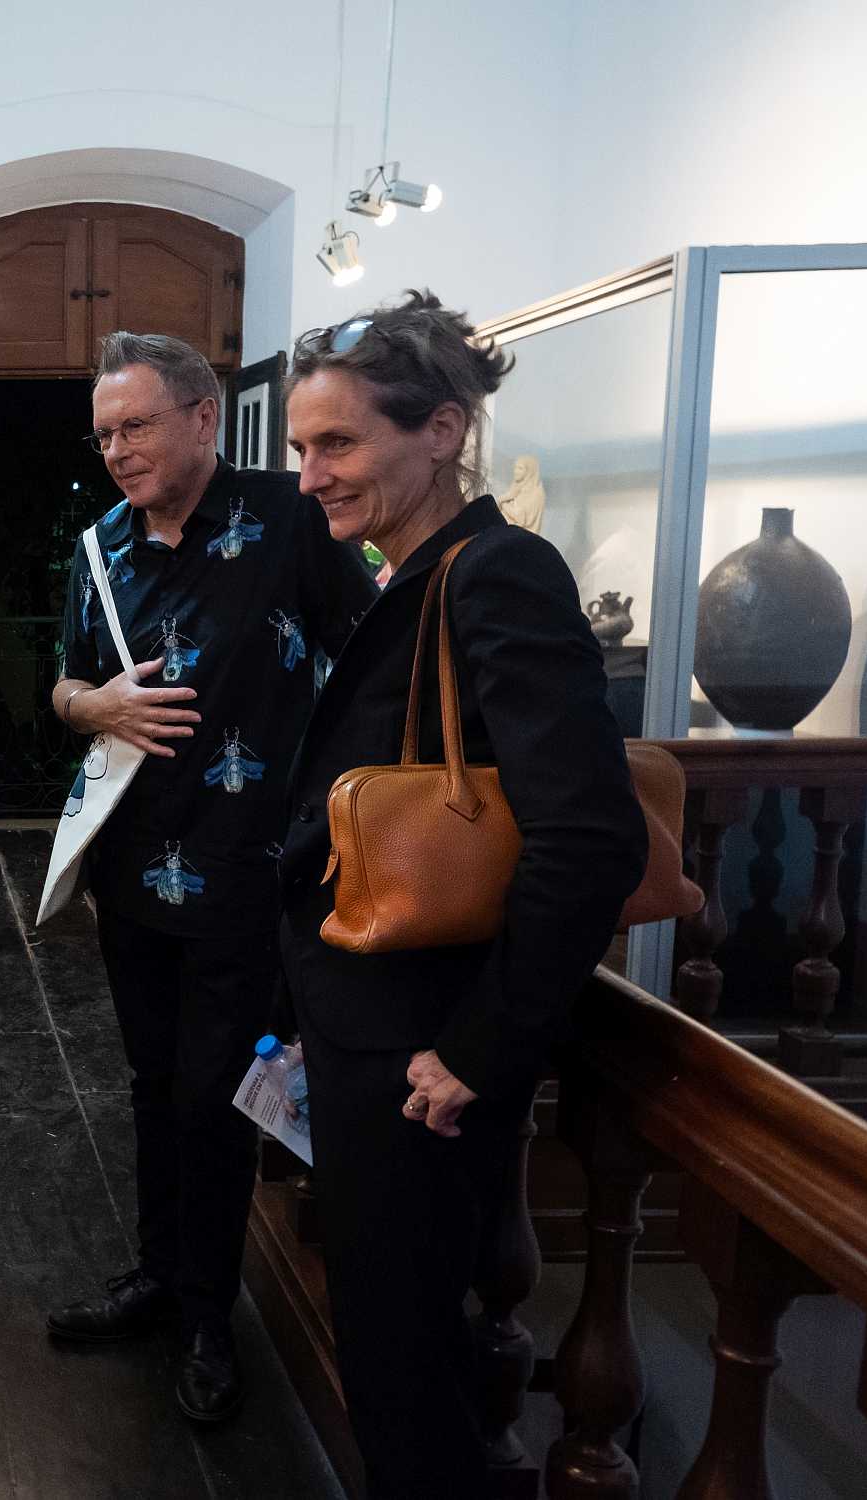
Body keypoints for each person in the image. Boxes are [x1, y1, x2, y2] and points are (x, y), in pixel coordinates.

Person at [276, 293, 647, 1497]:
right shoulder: (413, 573)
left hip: (422, 1058)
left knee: (407, 1371)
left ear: (441, 431)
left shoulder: (498, 573)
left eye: (338, 443)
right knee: (393, 1346)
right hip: (375, 1033)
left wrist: (478, 1050)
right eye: (302, 447)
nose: (309, 476)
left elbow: (589, 838)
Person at [46, 331, 378, 1422]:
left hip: (252, 871)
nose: (117, 450)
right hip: (131, 867)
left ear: (203, 417)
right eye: (104, 434)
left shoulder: (291, 518)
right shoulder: (100, 544)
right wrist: (91, 705)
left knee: (213, 1096)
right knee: (152, 1085)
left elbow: (368, 656)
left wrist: (331, 802)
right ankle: (158, 1275)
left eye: (136, 425)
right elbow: (64, 687)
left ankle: (207, 1315)